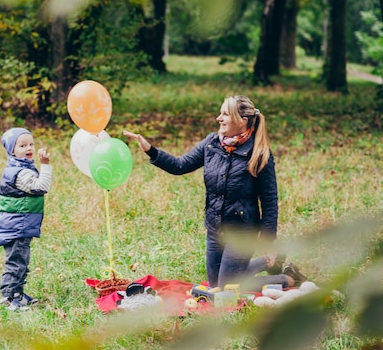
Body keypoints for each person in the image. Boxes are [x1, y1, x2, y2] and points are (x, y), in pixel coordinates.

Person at [123, 95, 306, 291]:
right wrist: (150, 150)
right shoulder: (212, 143)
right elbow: (180, 165)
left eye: (225, 114)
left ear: (242, 121)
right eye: (220, 113)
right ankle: (270, 260)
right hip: (215, 229)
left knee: (228, 288)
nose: (219, 118)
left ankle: (287, 279)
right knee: (216, 286)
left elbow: (269, 201)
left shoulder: (259, 153)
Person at [0, 127, 53, 311]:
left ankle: (18, 293)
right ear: (12, 150)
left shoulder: (22, 167)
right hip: (16, 226)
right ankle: (8, 297)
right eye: (22, 145)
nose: (28, 148)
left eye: (30, 144)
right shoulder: (19, 172)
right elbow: (41, 187)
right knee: (16, 263)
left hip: (21, 224)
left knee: (22, 261)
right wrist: (46, 165)